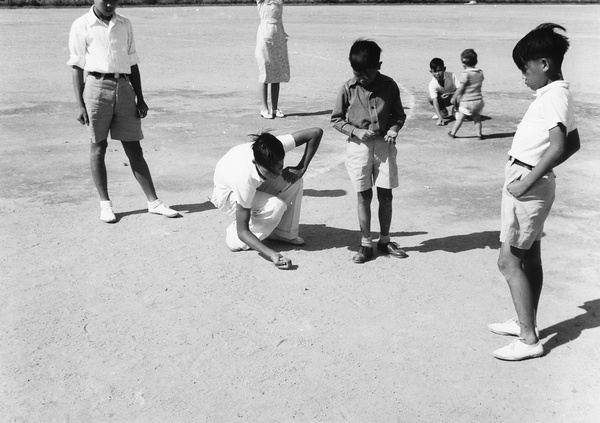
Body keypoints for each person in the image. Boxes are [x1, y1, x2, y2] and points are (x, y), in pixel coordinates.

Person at [488, 23, 580, 361]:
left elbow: (558, 145)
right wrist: (541, 173)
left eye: (525, 69)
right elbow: (573, 143)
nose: (523, 77)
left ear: (543, 64)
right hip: (532, 180)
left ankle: (528, 339)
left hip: (527, 184)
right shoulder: (556, 93)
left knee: (508, 261)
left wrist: (528, 179)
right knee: (530, 256)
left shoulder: (554, 96)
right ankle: (527, 322)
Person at [67, 0, 179, 223]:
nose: (110, 4)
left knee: (134, 148)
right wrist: (79, 104)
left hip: (125, 87)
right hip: (96, 88)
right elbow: (77, 67)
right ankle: (105, 204)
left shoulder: (125, 24)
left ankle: (154, 202)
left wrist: (140, 97)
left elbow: (133, 62)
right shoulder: (81, 25)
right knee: (98, 147)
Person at [331, 39, 408, 264]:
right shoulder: (348, 87)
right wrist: (355, 131)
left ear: (379, 66)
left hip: (384, 146)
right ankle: (366, 243)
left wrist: (394, 129)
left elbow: (398, 115)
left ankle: (384, 240)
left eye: (365, 74)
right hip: (358, 148)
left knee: (386, 195)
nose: (360, 78)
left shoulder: (389, 86)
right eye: (356, 72)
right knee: (364, 195)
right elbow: (336, 119)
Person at [211, 127, 322, 269]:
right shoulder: (243, 179)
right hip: (227, 195)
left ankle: (283, 233)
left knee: (294, 179)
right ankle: (232, 238)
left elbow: (315, 132)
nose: (277, 173)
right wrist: (272, 254)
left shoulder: (274, 147)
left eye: (279, 167)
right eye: (270, 171)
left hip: (255, 184)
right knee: (275, 207)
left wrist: (302, 167)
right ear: (255, 162)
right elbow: (243, 231)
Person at [255, 0, 290, 119]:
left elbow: (279, 18)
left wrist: (283, 33)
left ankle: (275, 108)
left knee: (277, 72)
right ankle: (264, 108)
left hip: (278, 34)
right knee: (265, 71)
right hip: (265, 34)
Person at [448, 49, 485, 139]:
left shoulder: (465, 74)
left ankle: (453, 133)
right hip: (478, 101)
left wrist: (454, 96)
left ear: (463, 64)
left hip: (467, 102)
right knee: (477, 118)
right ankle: (479, 134)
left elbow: (461, 88)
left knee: (460, 118)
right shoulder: (480, 73)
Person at [428, 57, 459, 126]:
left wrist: (452, 94)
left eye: (439, 70)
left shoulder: (451, 75)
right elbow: (435, 101)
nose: (437, 74)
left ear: (444, 69)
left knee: (461, 94)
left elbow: (460, 89)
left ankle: (456, 109)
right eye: (434, 71)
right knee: (430, 98)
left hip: (455, 97)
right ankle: (443, 112)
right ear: (431, 72)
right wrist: (439, 118)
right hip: (444, 99)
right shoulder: (432, 84)